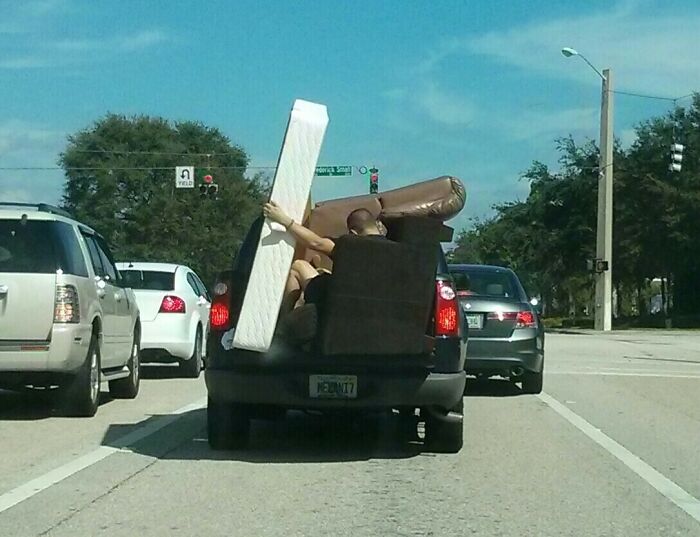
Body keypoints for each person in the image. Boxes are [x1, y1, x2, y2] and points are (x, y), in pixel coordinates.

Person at [262, 201, 385, 312]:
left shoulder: (350, 247)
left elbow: (315, 242)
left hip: (338, 301)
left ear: (353, 233)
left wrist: (284, 220)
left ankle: (284, 321)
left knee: (298, 266)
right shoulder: (396, 251)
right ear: (378, 227)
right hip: (375, 308)